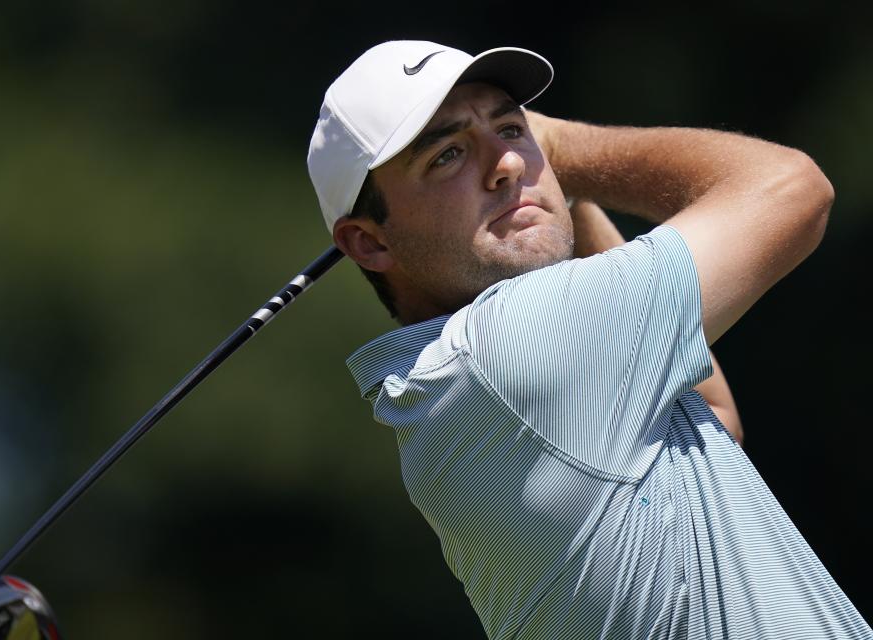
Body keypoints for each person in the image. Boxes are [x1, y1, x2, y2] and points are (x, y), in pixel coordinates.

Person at [307, 40, 870, 639]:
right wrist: (562, 148)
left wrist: (554, 196)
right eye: (447, 155)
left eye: (509, 128)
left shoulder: (446, 387)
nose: (510, 164)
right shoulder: (511, 347)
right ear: (369, 243)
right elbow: (793, 188)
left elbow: (711, 414)